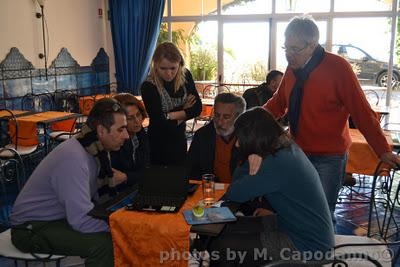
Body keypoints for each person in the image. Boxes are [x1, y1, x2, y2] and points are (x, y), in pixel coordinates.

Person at [257, 15, 400, 221]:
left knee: (321, 215)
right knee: (295, 208)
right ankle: (299, 251)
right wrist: (251, 121)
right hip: (298, 152)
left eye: (295, 49)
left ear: (313, 45)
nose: (289, 55)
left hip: (329, 158)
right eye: (286, 48)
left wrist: (383, 150)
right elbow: (279, 103)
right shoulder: (293, 67)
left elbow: (362, 111)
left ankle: (321, 253)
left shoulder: (338, 68)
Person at [10, 98, 130, 267]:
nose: (126, 135)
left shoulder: (95, 149)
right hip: (30, 228)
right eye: (121, 129)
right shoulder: (75, 158)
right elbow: (80, 219)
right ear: (102, 130)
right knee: (105, 244)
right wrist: (119, 228)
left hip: (58, 218)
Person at [207, 108, 334, 266]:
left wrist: (247, 159)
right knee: (224, 229)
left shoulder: (276, 162)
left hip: (307, 247)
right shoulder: (284, 147)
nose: (238, 144)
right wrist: (252, 157)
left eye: (240, 138)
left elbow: (235, 192)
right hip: (294, 227)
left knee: (221, 247)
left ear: (254, 137)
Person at [140, 42, 202, 165]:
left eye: (173, 68)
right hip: (158, 143)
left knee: (179, 178)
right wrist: (184, 109)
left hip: (179, 141)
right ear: (155, 65)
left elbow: (197, 108)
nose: (168, 73)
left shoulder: (185, 75)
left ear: (180, 64)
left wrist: (169, 116)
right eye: (163, 68)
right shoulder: (148, 86)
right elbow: (159, 123)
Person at [187, 93, 245, 183]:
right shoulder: (202, 136)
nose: (219, 122)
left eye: (226, 117)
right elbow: (191, 170)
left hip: (240, 191)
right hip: (211, 190)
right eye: (217, 115)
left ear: (239, 117)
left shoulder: (248, 138)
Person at [111, 93, 150, 188]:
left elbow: (147, 171)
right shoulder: (115, 142)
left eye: (138, 114)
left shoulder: (140, 133)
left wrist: (127, 176)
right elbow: (117, 179)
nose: (137, 121)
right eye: (130, 118)